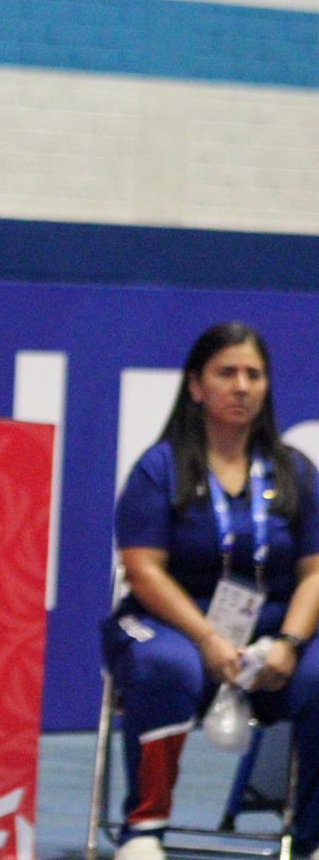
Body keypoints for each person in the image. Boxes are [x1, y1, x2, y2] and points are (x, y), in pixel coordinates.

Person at [102, 322, 319, 860]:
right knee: (165, 667)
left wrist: (290, 643)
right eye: (227, 373)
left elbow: (316, 571)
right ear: (196, 386)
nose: (241, 386)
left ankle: (312, 838)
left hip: (271, 636)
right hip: (175, 627)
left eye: (254, 374)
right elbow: (143, 569)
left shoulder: (294, 471)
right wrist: (206, 639)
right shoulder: (160, 468)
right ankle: (144, 829)